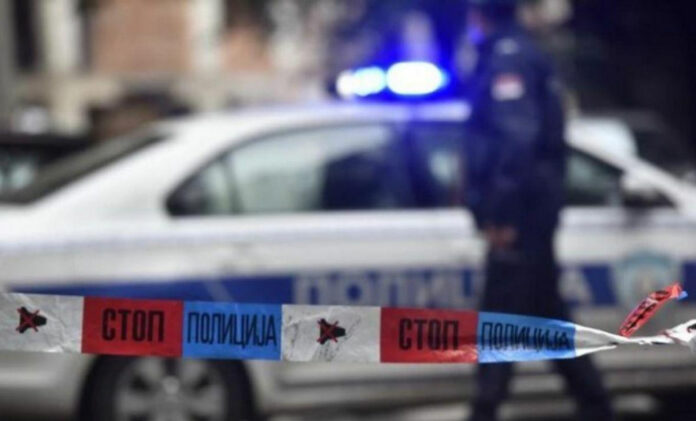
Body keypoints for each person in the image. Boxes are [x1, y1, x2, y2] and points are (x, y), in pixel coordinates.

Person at [461, 1, 614, 420]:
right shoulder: (523, 52)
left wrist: (502, 215)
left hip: (520, 218)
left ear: (480, 15)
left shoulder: (508, 57)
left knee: (500, 319)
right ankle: (596, 405)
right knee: (544, 313)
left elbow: (516, 141)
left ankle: (485, 409)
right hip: (531, 215)